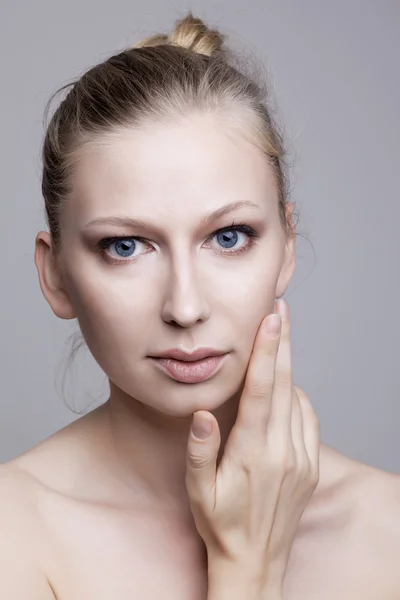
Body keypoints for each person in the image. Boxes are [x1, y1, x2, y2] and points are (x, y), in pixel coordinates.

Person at [0, 10, 399, 600]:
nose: (185, 307)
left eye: (229, 236)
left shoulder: (387, 529)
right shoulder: (15, 534)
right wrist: (246, 570)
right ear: (55, 274)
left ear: (287, 245)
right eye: (126, 246)